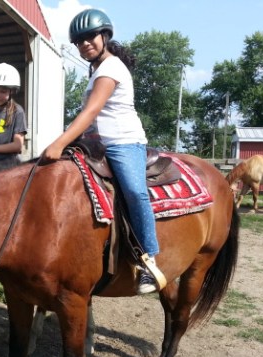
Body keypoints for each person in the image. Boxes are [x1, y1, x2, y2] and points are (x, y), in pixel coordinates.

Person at [43, 8, 166, 295]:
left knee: (134, 192)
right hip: (97, 144)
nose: (85, 44)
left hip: (124, 142)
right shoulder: (96, 70)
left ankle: (149, 259)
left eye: (90, 37)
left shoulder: (111, 68)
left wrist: (60, 142)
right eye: (79, 41)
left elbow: (91, 112)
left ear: (104, 36)